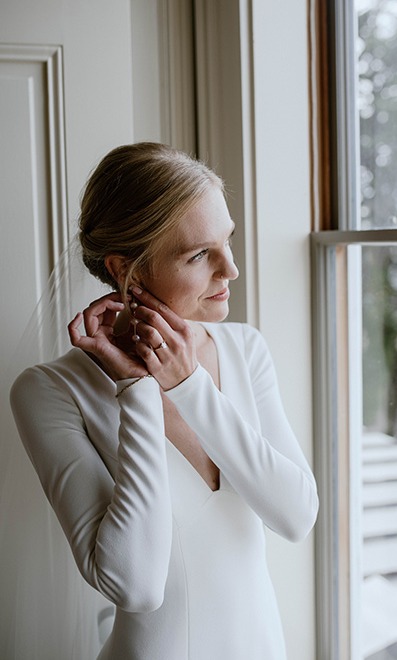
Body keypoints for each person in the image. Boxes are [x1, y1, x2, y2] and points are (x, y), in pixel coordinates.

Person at [10, 142, 319, 660]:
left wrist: (189, 385)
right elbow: (136, 584)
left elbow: (295, 516)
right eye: (200, 254)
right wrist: (137, 390)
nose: (231, 270)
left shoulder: (245, 349)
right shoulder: (48, 391)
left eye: (228, 241)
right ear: (126, 269)